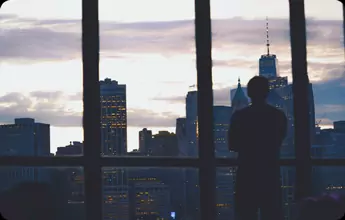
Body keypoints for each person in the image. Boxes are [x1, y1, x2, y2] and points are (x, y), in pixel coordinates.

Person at [228, 76, 287, 220]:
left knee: (245, 214)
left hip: (246, 173)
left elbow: (232, 145)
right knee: (272, 213)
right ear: (267, 92)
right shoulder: (278, 116)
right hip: (270, 173)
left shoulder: (239, 117)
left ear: (249, 94)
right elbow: (279, 141)